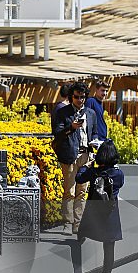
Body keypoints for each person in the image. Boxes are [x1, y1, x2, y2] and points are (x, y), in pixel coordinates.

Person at [75, 139, 124, 273]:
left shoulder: (94, 172)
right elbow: (120, 184)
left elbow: (79, 178)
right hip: (110, 214)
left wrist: (87, 165)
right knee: (109, 250)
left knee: (83, 231)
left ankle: (81, 237)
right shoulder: (118, 174)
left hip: (93, 212)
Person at [52, 81, 98, 235]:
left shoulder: (91, 113)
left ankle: (77, 224)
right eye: (77, 97)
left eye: (83, 97)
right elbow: (57, 134)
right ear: (72, 96)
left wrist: (95, 144)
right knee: (69, 191)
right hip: (70, 156)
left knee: (81, 192)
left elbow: (95, 132)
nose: (80, 100)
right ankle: (67, 223)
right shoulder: (62, 112)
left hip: (86, 156)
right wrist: (71, 128)